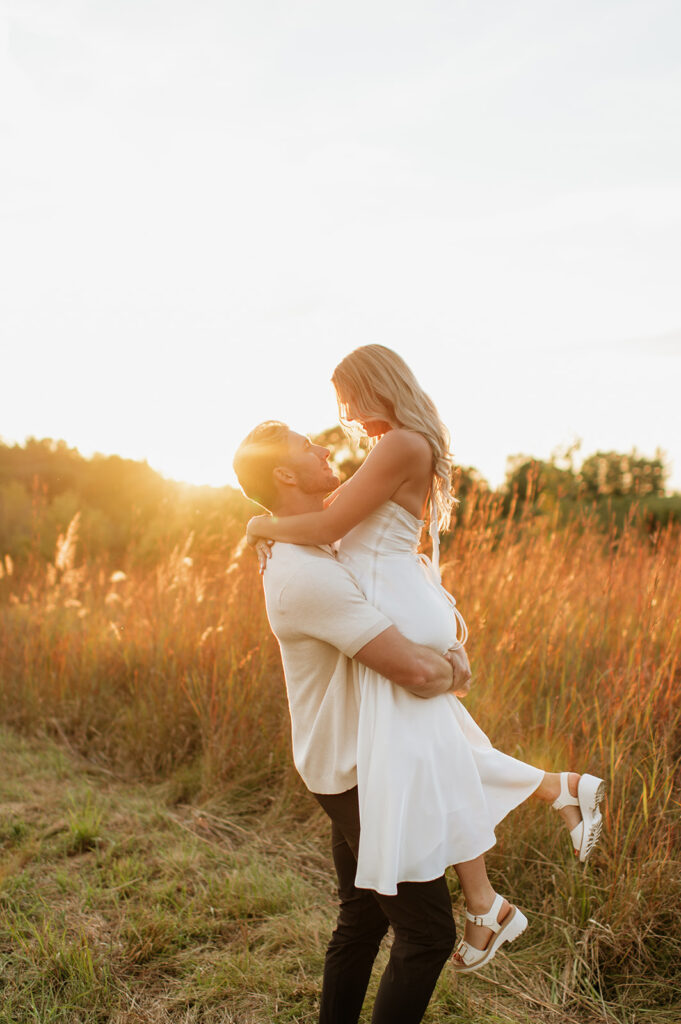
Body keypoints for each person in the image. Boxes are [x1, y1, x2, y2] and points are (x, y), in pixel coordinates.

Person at [244, 345, 606, 975]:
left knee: (431, 744)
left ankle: (502, 877)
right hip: (401, 598)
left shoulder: (400, 445)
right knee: (436, 744)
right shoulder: (401, 445)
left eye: (348, 398)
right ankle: (537, 820)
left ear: (375, 386)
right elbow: (343, 523)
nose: (346, 416)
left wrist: (260, 528)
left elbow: (329, 527)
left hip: (396, 599)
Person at [233, 421, 473, 1024]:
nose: (324, 449)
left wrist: (450, 644)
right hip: (354, 771)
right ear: (285, 474)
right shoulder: (304, 572)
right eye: (307, 448)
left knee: (363, 918)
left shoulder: (321, 546)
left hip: (355, 758)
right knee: (427, 934)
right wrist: (455, 672)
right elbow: (416, 674)